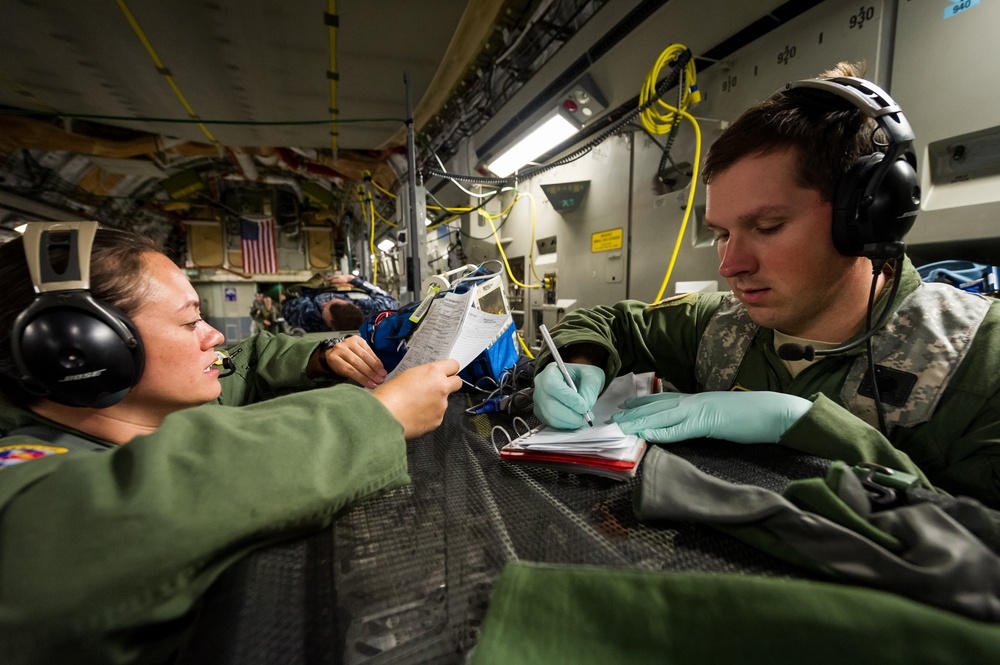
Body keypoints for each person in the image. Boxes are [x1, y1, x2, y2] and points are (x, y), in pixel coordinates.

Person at [532, 62, 1000, 509]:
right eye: (721, 234)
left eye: (769, 226)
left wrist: (807, 427)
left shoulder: (983, 360)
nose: (731, 264)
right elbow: (610, 323)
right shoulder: (718, 325)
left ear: (864, 218)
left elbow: (979, 551)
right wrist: (581, 361)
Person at [0, 223, 463, 663]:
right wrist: (375, 417)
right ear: (84, 352)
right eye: (189, 323)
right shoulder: (23, 477)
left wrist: (319, 358)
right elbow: (155, 491)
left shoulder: (165, 405)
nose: (215, 336)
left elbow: (245, 359)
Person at [282, 273, 399, 333]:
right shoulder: (375, 309)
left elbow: (290, 303)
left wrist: (317, 288)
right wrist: (351, 279)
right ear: (355, 306)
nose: (323, 304)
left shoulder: (307, 317)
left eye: (324, 310)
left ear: (331, 327)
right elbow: (387, 297)